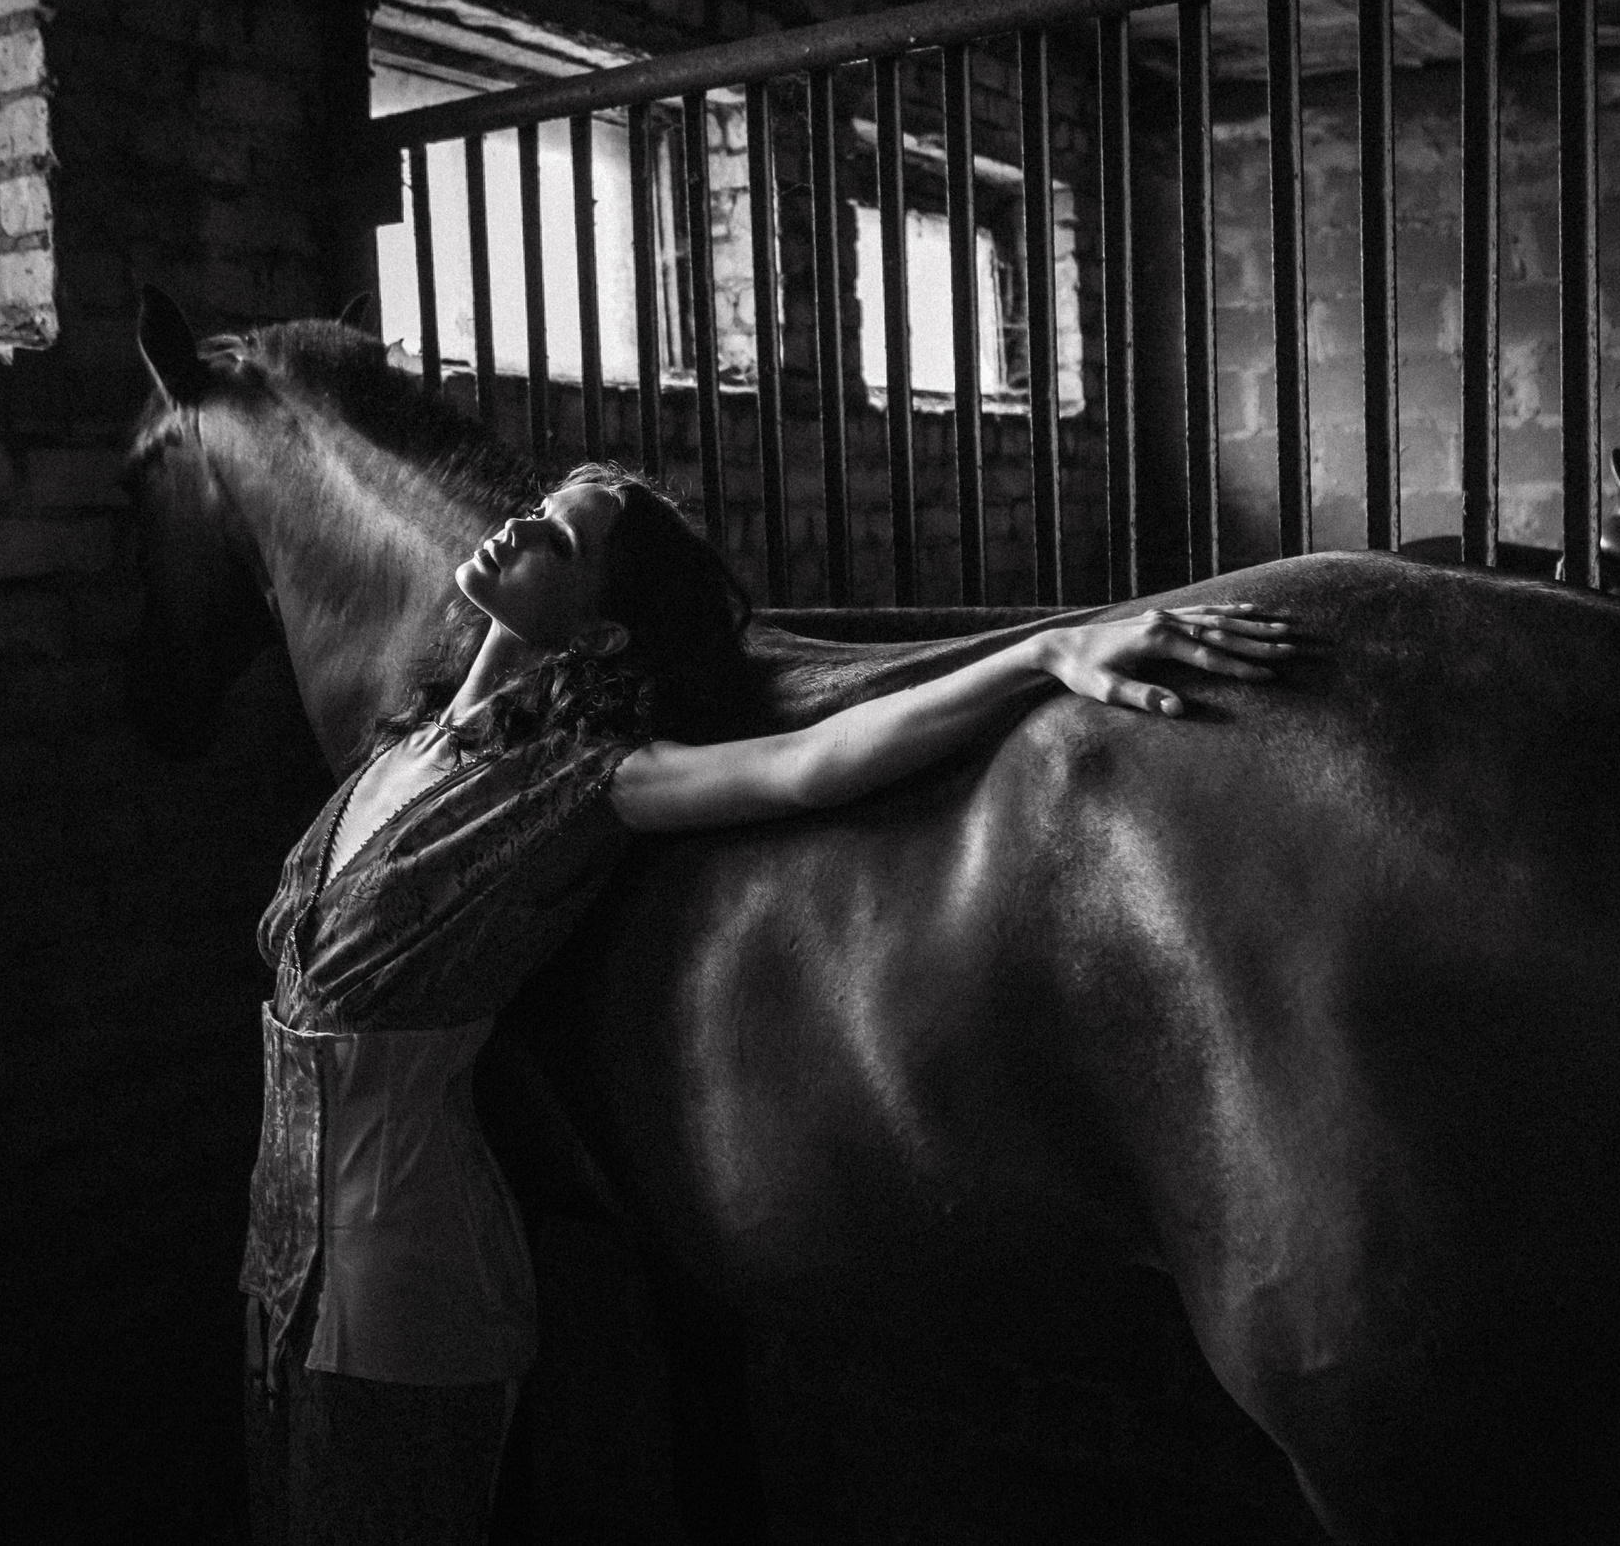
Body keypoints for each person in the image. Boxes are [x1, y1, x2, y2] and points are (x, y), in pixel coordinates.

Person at [240, 460, 1298, 1544]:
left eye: (564, 535)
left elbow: (807, 766)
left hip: (402, 1263)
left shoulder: (576, 782)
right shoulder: (400, 745)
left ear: (601, 633)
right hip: (279, 1261)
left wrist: (1045, 654)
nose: (519, 528)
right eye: (535, 507)